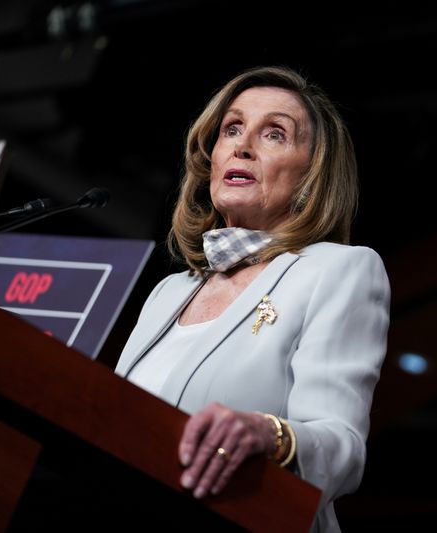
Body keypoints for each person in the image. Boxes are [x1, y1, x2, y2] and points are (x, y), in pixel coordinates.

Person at [114, 65, 391, 532]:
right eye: (232, 128)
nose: (242, 146)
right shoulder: (168, 292)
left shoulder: (339, 270)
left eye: (274, 134)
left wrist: (272, 434)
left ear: (311, 175)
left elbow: (343, 449)